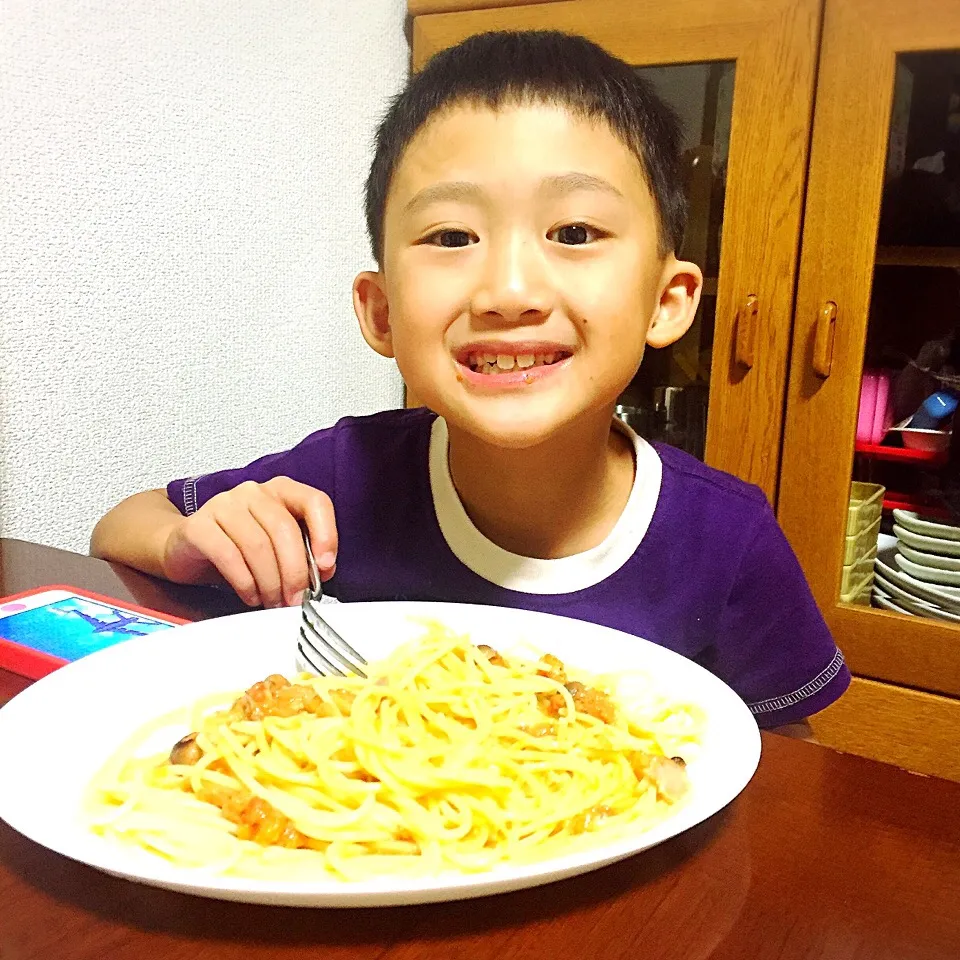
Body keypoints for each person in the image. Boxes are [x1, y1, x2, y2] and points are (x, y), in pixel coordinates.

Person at [91, 30, 849, 731]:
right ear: (381, 312)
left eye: (574, 233)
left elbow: (784, 765)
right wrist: (186, 542)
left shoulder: (728, 541)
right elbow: (122, 525)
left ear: (667, 300)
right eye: (452, 237)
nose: (508, 290)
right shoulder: (343, 479)